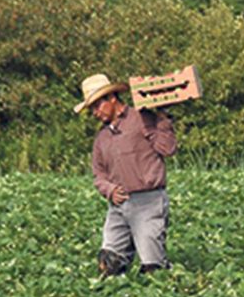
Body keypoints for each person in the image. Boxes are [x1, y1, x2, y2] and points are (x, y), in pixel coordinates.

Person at [75, 73, 179, 276]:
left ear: (112, 98)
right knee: (109, 262)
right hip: (118, 206)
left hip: (148, 202)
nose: (95, 112)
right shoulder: (101, 139)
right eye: (92, 109)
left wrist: (161, 120)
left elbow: (168, 149)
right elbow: (99, 175)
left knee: (153, 268)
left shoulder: (142, 118)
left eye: (97, 106)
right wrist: (109, 190)